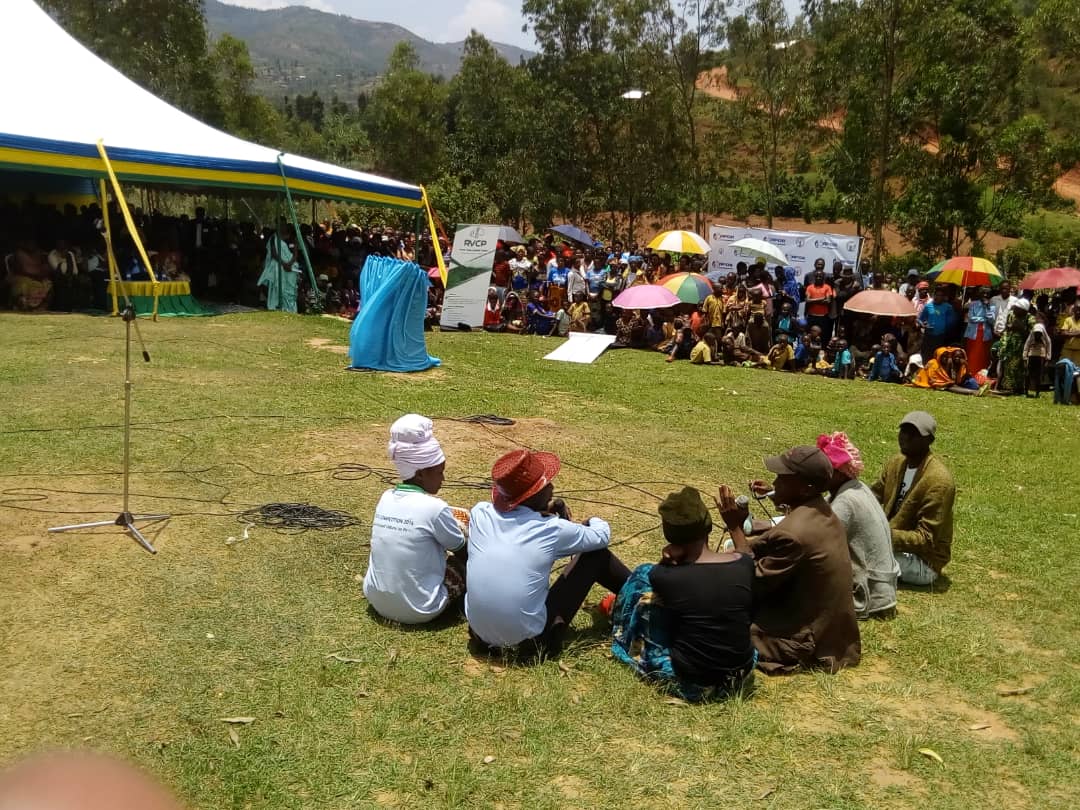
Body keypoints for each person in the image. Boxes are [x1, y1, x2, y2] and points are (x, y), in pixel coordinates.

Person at [466, 449, 630, 660]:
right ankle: (644, 596)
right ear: (533, 495)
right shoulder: (551, 529)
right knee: (596, 556)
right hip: (531, 646)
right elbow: (601, 536)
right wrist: (592, 519)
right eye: (546, 485)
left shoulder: (480, 513)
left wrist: (542, 511)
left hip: (480, 636)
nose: (552, 487)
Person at [715, 446, 861, 674]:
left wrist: (735, 528)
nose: (776, 483)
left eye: (783, 478)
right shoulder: (821, 510)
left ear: (806, 488)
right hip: (833, 634)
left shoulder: (794, 533)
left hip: (807, 641)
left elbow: (747, 581)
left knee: (714, 625)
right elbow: (772, 545)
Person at [611, 488, 755, 702]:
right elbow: (745, 552)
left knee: (643, 580)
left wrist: (666, 560)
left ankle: (621, 636)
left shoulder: (665, 576)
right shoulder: (743, 565)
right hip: (740, 675)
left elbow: (659, 577)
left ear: (669, 535)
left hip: (696, 683)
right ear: (707, 527)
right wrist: (734, 526)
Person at [362, 415, 467, 624]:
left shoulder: (385, 498)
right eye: (439, 472)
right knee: (463, 562)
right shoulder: (435, 508)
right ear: (420, 474)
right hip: (420, 608)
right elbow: (462, 550)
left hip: (376, 601)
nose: (443, 478)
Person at [817, 433, 899, 620]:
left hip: (869, 596)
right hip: (882, 588)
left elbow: (817, 540)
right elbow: (819, 511)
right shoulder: (856, 487)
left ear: (838, 472)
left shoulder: (846, 501)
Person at [870, 411, 955, 586]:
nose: (905, 438)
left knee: (857, 559)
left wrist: (881, 536)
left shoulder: (939, 481)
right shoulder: (896, 463)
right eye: (903, 431)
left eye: (914, 434)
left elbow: (926, 540)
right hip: (890, 544)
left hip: (923, 562)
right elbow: (873, 496)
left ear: (929, 440)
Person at [257, 223, 300, 313]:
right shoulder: (274, 238)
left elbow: (295, 254)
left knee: (290, 290)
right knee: (275, 285)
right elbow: (274, 253)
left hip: (291, 268)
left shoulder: (293, 240)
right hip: (279, 265)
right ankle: (277, 304)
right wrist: (284, 264)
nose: (283, 227)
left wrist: (289, 264)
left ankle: (290, 308)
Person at [964, 287, 996, 374]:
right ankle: (970, 373)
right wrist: (984, 319)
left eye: (987, 293)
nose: (985, 295)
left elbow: (992, 320)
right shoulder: (973, 304)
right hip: (973, 333)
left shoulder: (992, 306)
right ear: (980, 294)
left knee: (983, 355)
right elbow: (971, 318)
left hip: (985, 335)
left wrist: (987, 307)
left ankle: (981, 375)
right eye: (983, 293)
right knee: (972, 354)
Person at [1023, 311, 1052, 397]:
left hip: (1040, 354)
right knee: (1029, 373)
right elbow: (1028, 343)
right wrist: (1025, 357)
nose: (1037, 335)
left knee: (1038, 374)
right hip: (1032, 353)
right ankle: (1026, 391)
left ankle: (1037, 392)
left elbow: (1048, 343)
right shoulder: (1035, 330)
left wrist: (1047, 358)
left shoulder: (1042, 330)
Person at [804, 268, 835, 342]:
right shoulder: (810, 287)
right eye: (817, 276)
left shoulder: (827, 287)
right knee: (811, 335)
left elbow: (828, 301)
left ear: (823, 277)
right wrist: (821, 299)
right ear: (814, 277)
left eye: (820, 276)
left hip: (823, 317)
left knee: (823, 336)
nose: (818, 278)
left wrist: (813, 300)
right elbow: (807, 300)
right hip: (812, 316)